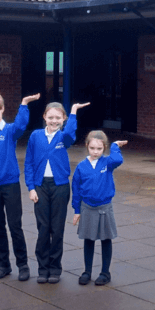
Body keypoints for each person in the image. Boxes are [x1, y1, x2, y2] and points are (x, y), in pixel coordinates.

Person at [0, 92, 41, 281]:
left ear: (2, 109)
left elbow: (21, 125)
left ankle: (23, 265)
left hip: (10, 186)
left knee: (15, 226)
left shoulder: (9, 131)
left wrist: (24, 104)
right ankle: (4, 265)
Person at [25, 101, 90, 284]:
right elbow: (28, 162)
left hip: (60, 186)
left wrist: (74, 112)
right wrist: (31, 187)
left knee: (57, 229)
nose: (54, 121)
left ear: (63, 119)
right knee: (43, 228)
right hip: (40, 186)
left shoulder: (63, 137)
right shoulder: (36, 136)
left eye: (58, 118)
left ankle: (55, 268)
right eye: (50, 117)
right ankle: (42, 268)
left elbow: (70, 133)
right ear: (44, 117)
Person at [71, 131, 126, 286]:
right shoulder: (81, 166)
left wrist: (115, 146)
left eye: (99, 149)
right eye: (92, 148)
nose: (95, 152)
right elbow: (76, 189)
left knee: (105, 240)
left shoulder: (107, 163)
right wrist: (77, 210)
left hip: (104, 207)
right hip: (87, 207)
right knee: (88, 240)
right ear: (87, 146)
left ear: (104, 148)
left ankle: (105, 273)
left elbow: (118, 159)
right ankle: (87, 271)